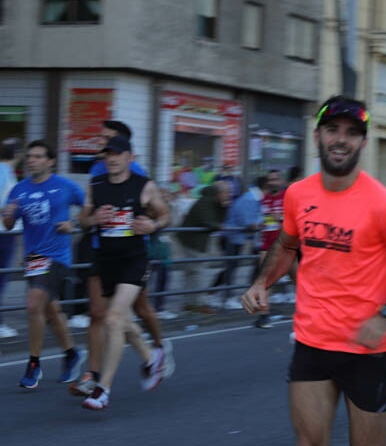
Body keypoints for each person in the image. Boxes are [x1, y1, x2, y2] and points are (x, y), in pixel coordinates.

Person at [241, 95, 386, 446]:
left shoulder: (383, 205)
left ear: (362, 143)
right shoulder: (298, 194)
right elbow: (288, 245)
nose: (340, 140)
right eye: (333, 130)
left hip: (368, 347)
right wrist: (259, 283)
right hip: (311, 340)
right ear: (318, 136)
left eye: (351, 133)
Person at [72, 120, 170, 397]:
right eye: (108, 153)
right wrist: (92, 219)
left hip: (134, 258)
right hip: (104, 258)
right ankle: (152, 358)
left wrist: (153, 225)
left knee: (114, 318)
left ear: (129, 157)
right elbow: (83, 220)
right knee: (117, 318)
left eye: (117, 153)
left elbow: (164, 214)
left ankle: (102, 389)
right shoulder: (96, 182)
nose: (112, 158)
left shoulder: (142, 183)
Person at [2, 141, 86, 389]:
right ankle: (72, 354)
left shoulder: (65, 186)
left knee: (33, 304)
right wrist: (7, 215)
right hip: (34, 258)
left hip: (58, 256)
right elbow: (8, 225)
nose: (32, 160)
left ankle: (33, 364)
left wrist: (75, 225)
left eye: (39, 156)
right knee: (50, 310)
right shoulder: (19, 189)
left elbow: (87, 206)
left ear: (50, 161)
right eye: (29, 156)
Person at [174, 179, 232, 311]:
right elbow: (209, 221)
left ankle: (191, 302)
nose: (229, 195)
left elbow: (219, 220)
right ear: (219, 192)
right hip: (192, 240)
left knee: (193, 271)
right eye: (227, 192)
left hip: (195, 240)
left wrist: (224, 207)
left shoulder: (213, 201)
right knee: (197, 270)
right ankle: (198, 303)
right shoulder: (206, 201)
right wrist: (220, 226)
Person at [214, 178, 262, 310]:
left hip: (233, 237)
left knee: (231, 266)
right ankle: (224, 295)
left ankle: (216, 292)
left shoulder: (242, 198)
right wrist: (258, 225)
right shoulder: (247, 199)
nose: (231, 191)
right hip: (233, 238)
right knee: (231, 266)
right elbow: (248, 223)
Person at [254, 169, 289, 327]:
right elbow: (263, 220)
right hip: (267, 245)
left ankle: (313, 311)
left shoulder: (287, 198)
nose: (272, 182)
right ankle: (264, 315)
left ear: (280, 181)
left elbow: (296, 219)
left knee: (301, 280)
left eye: (275, 179)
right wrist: (259, 224)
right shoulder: (265, 199)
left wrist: (281, 218)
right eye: (270, 179)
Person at [0, 137, 23, 338]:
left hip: (6, 233)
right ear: (18, 154)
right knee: (1, 278)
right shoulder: (5, 174)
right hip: (3, 234)